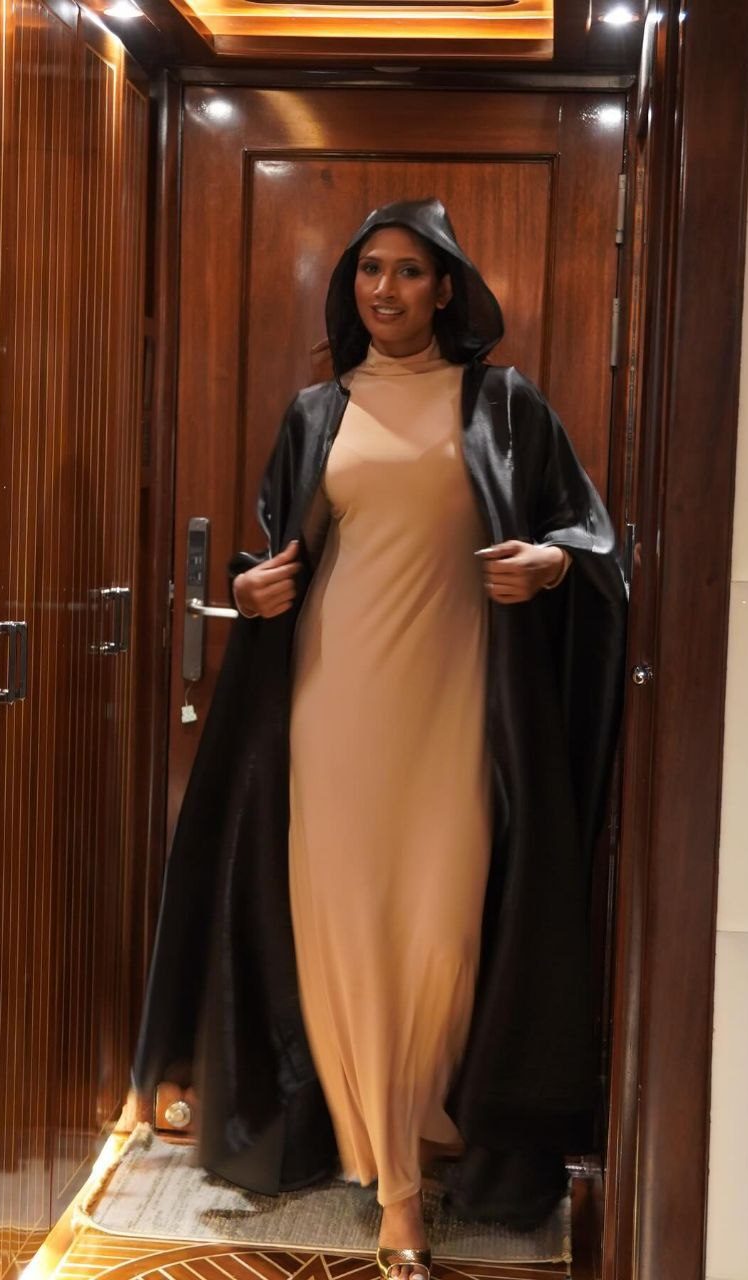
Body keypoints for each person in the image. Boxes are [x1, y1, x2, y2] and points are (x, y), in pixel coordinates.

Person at [133, 198, 627, 1280]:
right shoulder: (315, 410)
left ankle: (434, 1127)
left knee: (444, 932)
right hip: (331, 702)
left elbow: (587, 538)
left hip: (459, 708)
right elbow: (283, 552)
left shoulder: (503, 405)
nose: (385, 291)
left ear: (446, 287)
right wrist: (253, 591)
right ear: (348, 289)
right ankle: (393, 1178)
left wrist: (552, 565)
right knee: (341, 921)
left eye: (408, 272)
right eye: (368, 272)